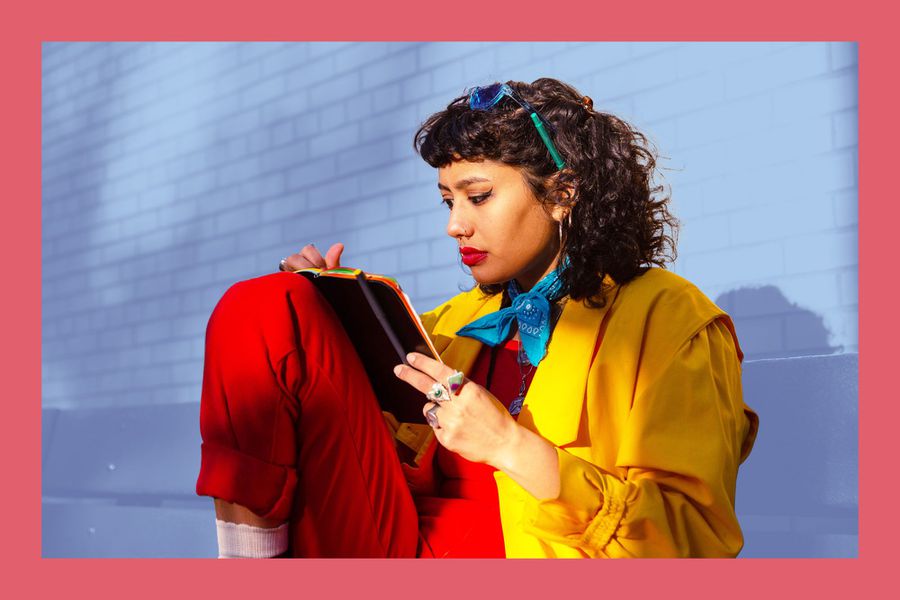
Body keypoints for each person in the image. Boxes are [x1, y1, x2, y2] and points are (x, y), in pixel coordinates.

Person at [196, 77, 759, 558]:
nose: (454, 226)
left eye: (479, 196)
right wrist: (327, 318)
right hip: (403, 543)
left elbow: (694, 542)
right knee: (269, 303)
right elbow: (373, 457)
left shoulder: (670, 316)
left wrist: (509, 446)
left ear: (563, 194)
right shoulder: (456, 320)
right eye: (448, 201)